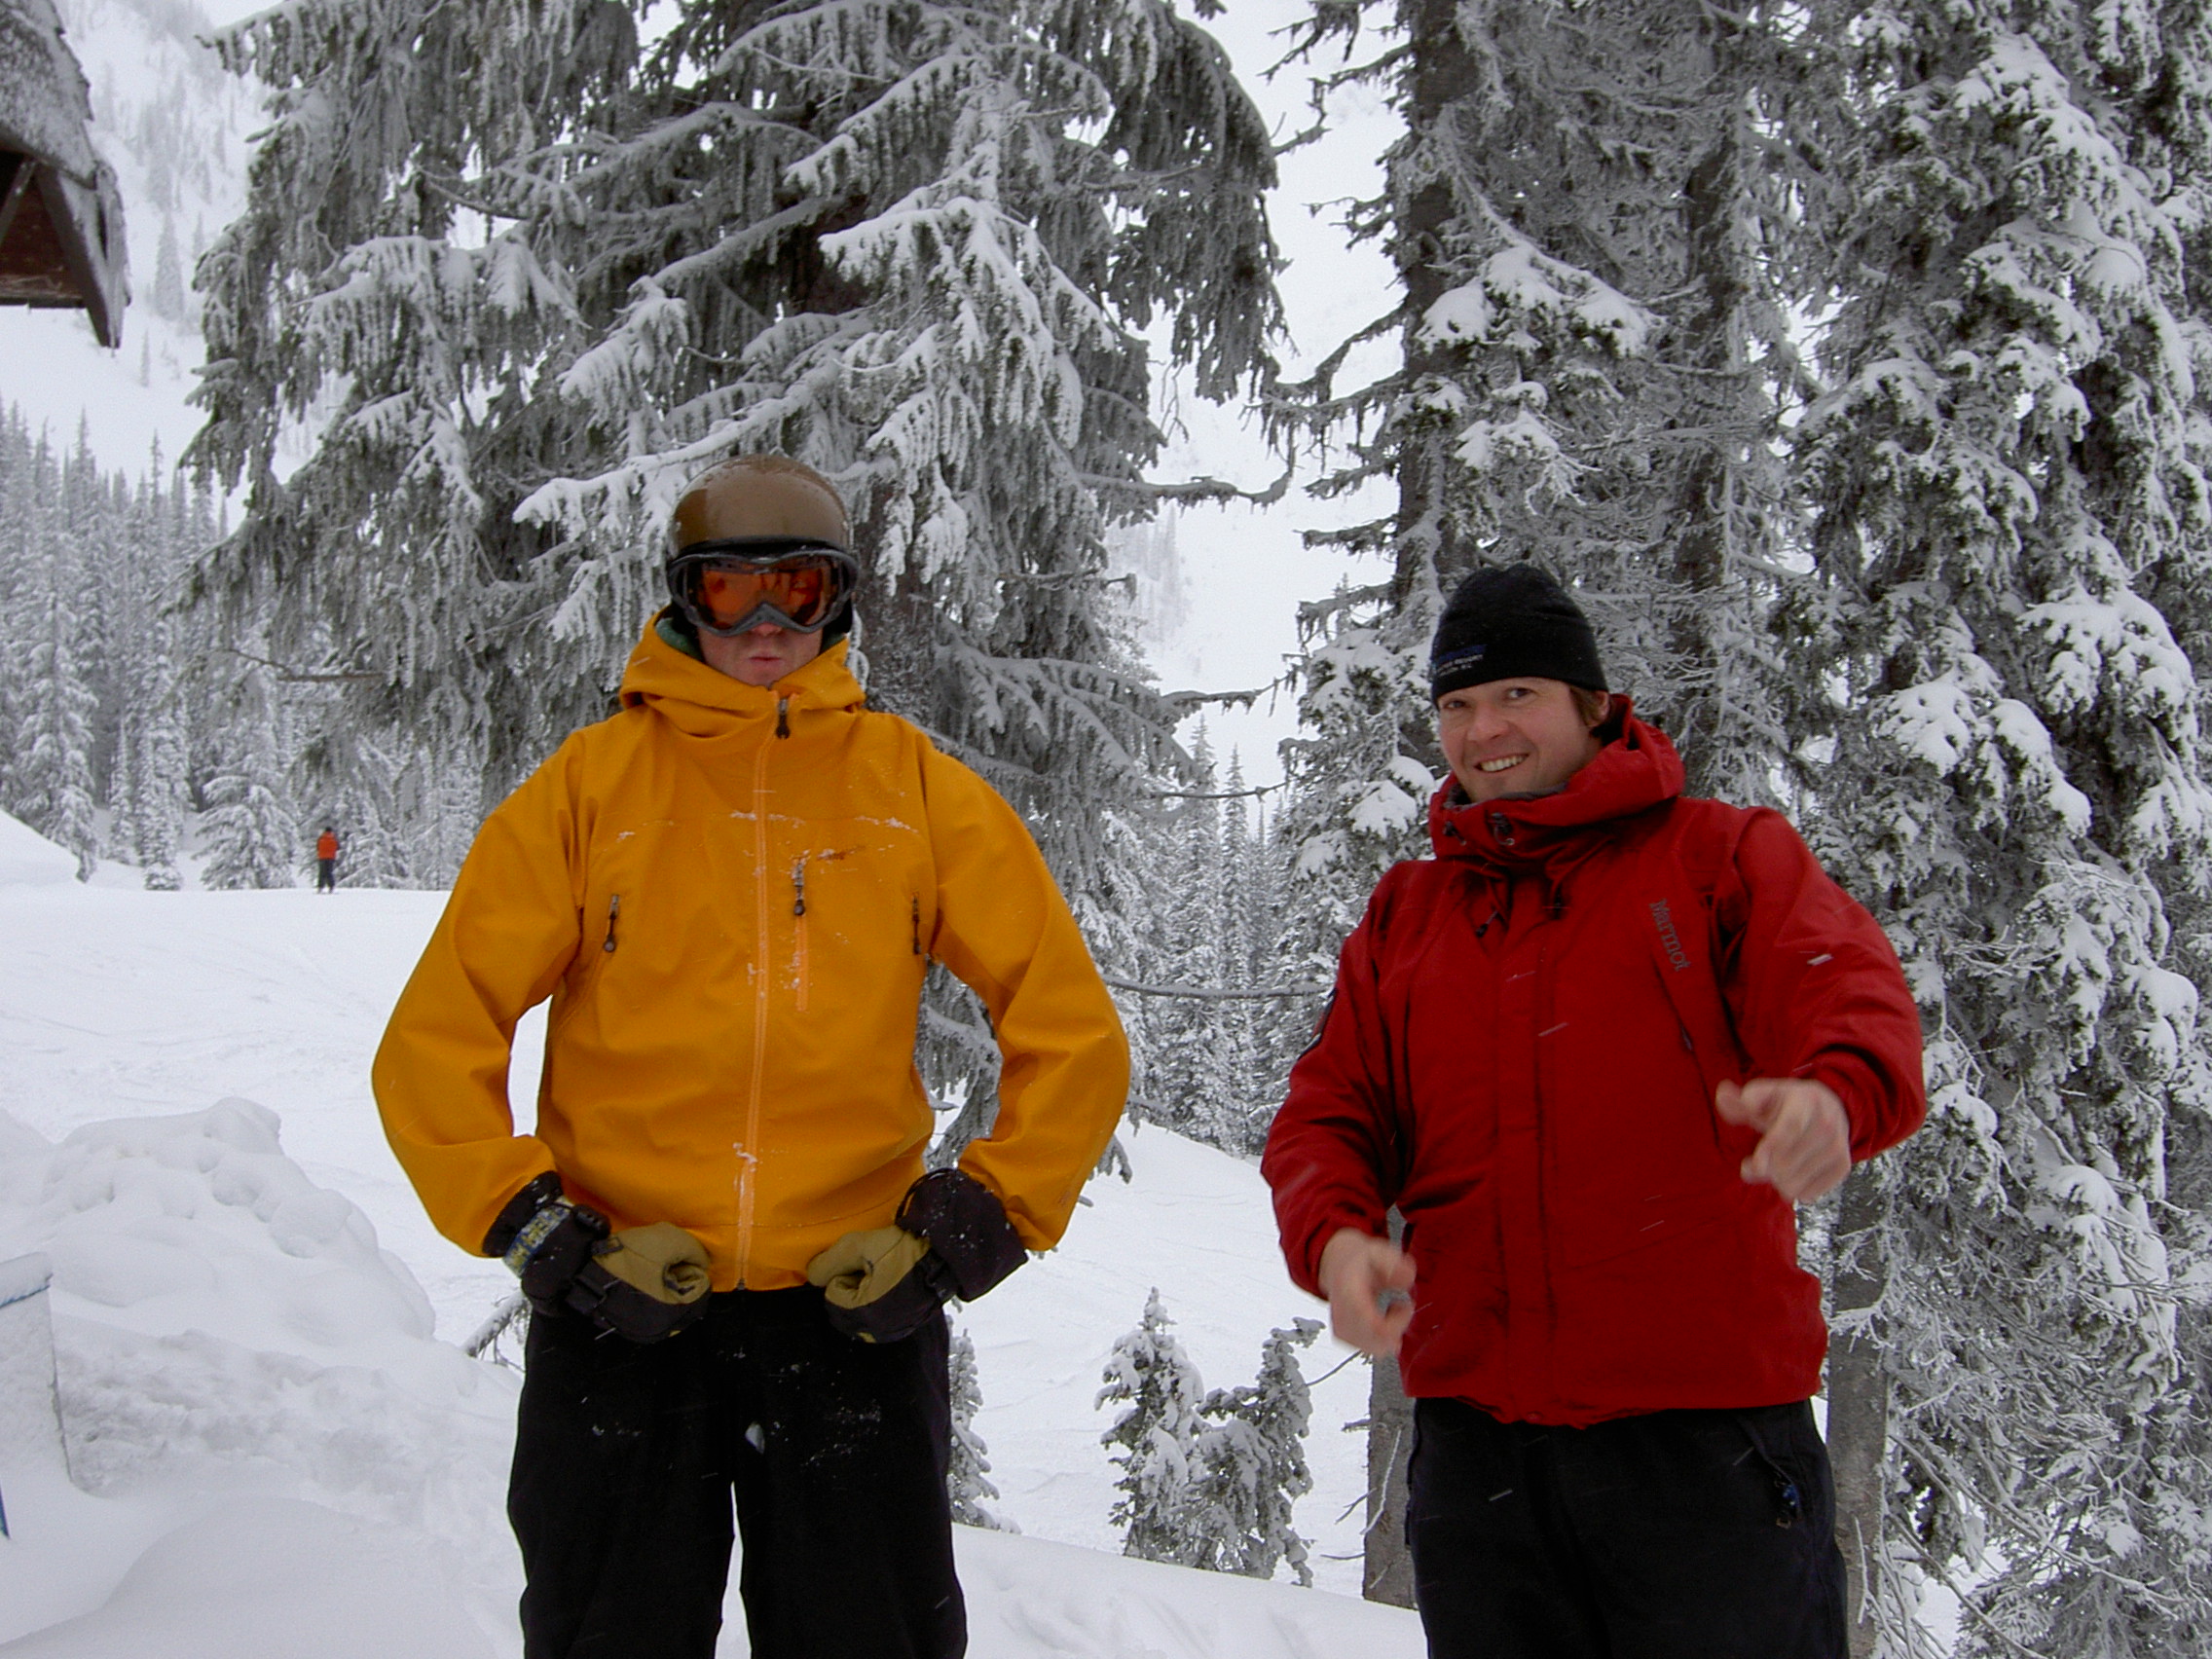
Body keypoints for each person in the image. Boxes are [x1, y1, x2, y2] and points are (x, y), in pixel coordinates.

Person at [372, 454, 1128, 1659]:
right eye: (731, 592)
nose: (767, 623)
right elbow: (437, 1035)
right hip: (623, 1305)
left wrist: (973, 1225)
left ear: (839, 599)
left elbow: (1070, 1029)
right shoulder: (588, 793)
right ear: (684, 599)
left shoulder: (913, 792)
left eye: (799, 588)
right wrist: (536, 1230)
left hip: (850, 1312)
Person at [1261, 564, 1926, 1659]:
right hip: (1482, 1469)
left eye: (1516, 694)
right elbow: (1331, 1109)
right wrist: (1332, 1236)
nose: (1484, 731)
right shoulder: (1408, 914)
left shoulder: (1717, 857)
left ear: (1591, 704)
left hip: (1704, 1455)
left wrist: (1833, 1093)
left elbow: (1845, 990)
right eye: (1458, 704)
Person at [314, 826, 339, 892]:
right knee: (329, 872)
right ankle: (331, 887)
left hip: (322, 857)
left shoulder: (321, 838)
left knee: (322, 872)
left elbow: (317, 847)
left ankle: (320, 887)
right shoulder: (334, 839)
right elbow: (337, 847)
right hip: (331, 858)